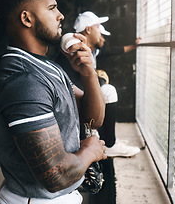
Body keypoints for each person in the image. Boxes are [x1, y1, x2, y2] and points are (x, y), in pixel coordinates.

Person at [0, 0, 107, 203]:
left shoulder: (46, 67)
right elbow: (56, 175)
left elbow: (93, 119)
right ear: (27, 18)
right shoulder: (23, 80)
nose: (60, 15)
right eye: (52, 8)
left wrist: (88, 73)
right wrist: (90, 153)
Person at [56, 11, 141, 158]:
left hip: (81, 98)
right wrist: (98, 79)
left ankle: (107, 139)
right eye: (98, 27)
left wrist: (133, 46)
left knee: (105, 89)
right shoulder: (74, 47)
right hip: (69, 102)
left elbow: (113, 51)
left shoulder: (94, 51)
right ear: (88, 29)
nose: (101, 32)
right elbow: (73, 83)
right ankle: (110, 145)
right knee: (108, 90)